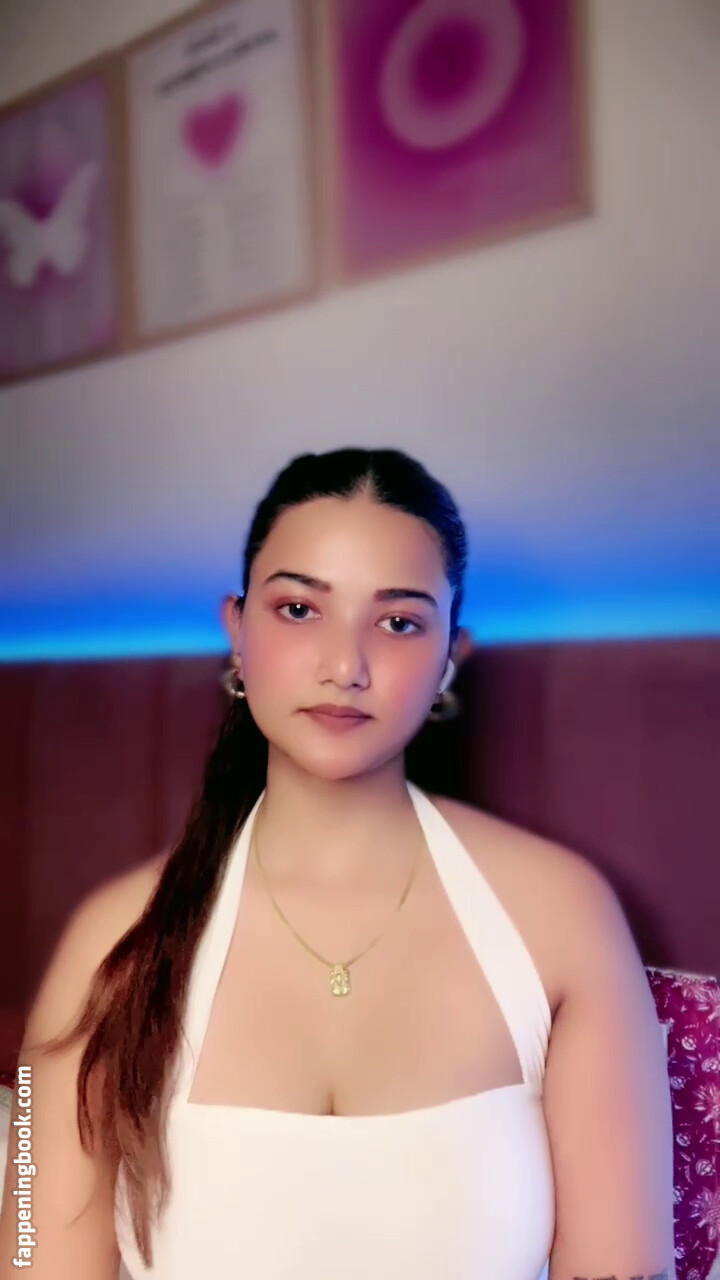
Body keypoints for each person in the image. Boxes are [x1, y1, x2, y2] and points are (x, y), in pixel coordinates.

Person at [0, 448, 675, 1280]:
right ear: (237, 631)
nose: (344, 667)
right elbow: (28, 1248)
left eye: (398, 623)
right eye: (298, 609)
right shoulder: (111, 942)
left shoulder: (560, 915)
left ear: (450, 657)